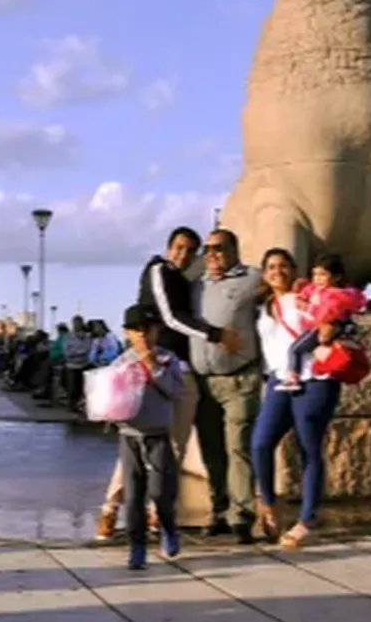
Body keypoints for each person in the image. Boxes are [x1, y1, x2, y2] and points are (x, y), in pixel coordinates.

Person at [95, 227, 242, 541]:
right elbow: (170, 317)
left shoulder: (187, 281)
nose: (183, 254)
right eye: (178, 247)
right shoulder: (158, 270)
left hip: (183, 371)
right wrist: (217, 335)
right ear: (168, 247)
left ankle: (157, 513)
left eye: (190, 250)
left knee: (175, 447)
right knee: (137, 443)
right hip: (152, 367)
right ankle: (110, 509)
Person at [251, 248, 346, 548]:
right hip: (279, 379)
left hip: (314, 378)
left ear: (294, 269)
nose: (277, 271)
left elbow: (336, 317)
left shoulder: (308, 297)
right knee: (260, 443)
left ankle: (307, 520)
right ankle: (269, 503)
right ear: (264, 273)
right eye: (271, 267)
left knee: (309, 448)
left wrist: (330, 325)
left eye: (283, 266)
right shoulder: (263, 305)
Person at [189, 229, 263, 543]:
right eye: (207, 249)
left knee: (238, 447)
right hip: (203, 383)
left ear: (234, 250)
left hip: (239, 380)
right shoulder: (196, 285)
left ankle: (242, 515)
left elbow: (283, 289)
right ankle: (219, 510)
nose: (212, 254)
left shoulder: (253, 279)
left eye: (218, 248)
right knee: (212, 451)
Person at [113, 305, 183, 570]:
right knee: (133, 496)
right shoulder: (121, 362)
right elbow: (110, 397)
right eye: (136, 330)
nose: (142, 335)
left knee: (160, 492)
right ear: (127, 333)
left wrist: (153, 367)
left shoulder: (167, 359)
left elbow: (176, 391)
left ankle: (169, 527)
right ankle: (137, 545)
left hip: (158, 435)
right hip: (129, 435)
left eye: (148, 329)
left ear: (157, 331)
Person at [278, 256, 367, 392]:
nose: (317, 279)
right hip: (320, 327)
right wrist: (300, 295)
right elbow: (306, 292)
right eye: (315, 274)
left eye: (322, 274)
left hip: (321, 327)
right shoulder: (316, 289)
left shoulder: (336, 295)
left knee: (295, 350)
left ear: (336, 277)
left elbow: (326, 314)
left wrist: (308, 309)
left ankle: (292, 376)